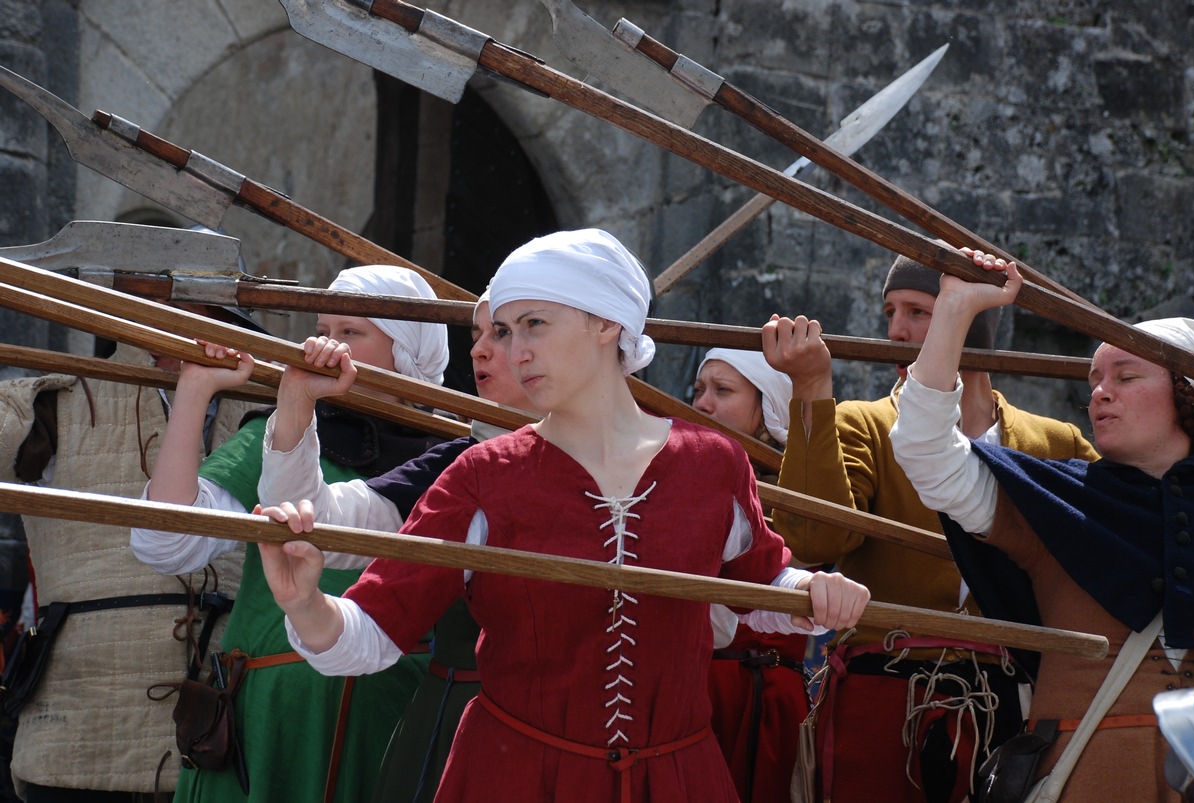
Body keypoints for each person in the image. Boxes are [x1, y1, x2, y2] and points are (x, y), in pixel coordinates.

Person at [257, 228, 870, 803]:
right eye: (502, 331)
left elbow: (761, 583)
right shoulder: (482, 475)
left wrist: (815, 591)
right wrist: (306, 605)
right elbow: (371, 629)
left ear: (608, 324)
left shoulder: (712, 463)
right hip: (515, 776)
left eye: (533, 326)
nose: (512, 351)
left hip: (676, 778)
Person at [761, 254, 1099, 803]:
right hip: (884, 694)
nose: (895, 330)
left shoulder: (1054, 442)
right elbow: (814, 540)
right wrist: (812, 389)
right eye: (890, 312)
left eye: (918, 311)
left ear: (969, 324)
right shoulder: (861, 423)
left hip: (1009, 702)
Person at [130, 265, 449, 803]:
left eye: (352, 332)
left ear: (410, 350)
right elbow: (167, 542)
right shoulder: (282, 431)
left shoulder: (459, 454)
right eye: (323, 328)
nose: (327, 344)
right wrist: (195, 389)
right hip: (282, 719)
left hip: (405, 715)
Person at [891, 250, 1194, 801]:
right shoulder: (1060, 502)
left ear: (1188, 394)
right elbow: (928, 452)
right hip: (1089, 780)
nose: (1099, 392)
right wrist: (954, 312)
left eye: (1126, 376)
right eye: (1094, 379)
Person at [255, 289, 535, 803]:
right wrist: (297, 397)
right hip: (474, 731)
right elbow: (309, 520)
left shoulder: (677, 464)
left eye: (503, 332)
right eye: (477, 335)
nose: (478, 351)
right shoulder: (463, 465)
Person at [0, 302, 264, 802]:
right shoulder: (59, 401)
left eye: (197, 308)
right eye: (166, 305)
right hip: (79, 723)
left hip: (225, 721)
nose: (182, 319)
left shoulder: (267, 409)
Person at [690, 347, 811, 802]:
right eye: (700, 389)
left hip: (773, 705)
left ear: (766, 410)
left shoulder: (801, 498)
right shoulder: (676, 478)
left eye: (723, 391)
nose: (703, 403)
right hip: (700, 690)